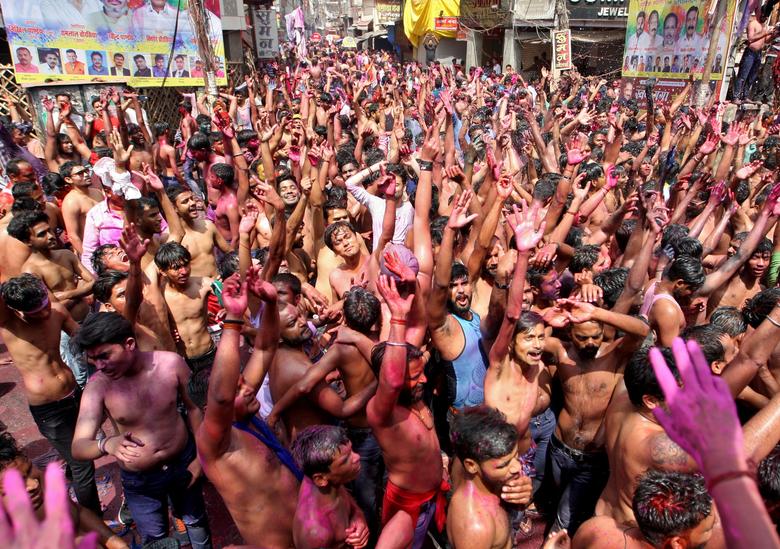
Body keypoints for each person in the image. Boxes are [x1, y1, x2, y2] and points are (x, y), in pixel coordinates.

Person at [71, 312, 211, 548]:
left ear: (129, 344)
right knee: (155, 539)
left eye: (104, 356)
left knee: (195, 521)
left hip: (184, 463)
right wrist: (107, 444)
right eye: (93, 359)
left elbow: (194, 408)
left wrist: (200, 457)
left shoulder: (170, 363)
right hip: (140, 481)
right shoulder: (97, 388)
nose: (99, 366)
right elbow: (78, 447)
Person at [195, 270, 301, 546]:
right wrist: (232, 319)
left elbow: (265, 348)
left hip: (309, 533)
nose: (248, 388)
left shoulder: (244, 407)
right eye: (237, 389)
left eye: (243, 382)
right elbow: (221, 396)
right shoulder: (215, 444)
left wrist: (268, 303)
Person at [0, 274, 100, 515]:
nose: (45, 313)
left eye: (45, 305)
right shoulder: (9, 322)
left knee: (87, 448)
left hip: (75, 393)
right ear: (15, 309)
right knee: (82, 465)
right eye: (36, 312)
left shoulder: (57, 310)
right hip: (49, 409)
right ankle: (94, 523)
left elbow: (81, 337)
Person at [367, 275, 447, 549]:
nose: (423, 381)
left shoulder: (413, 391)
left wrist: (414, 287)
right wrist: (397, 318)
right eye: (413, 378)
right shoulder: (382, 413)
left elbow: (422, 325)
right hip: (409, 506)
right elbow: (390, 380)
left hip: (435, 495)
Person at [0, 431, 128, 549]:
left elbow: (77, 512)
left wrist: (117, 544)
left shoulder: (40, 479)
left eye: (29, 470)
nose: (34, 484)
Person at [447, 406, 529, 549]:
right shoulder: (475, 528)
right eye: (504, 465)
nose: (517, 467)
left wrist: (521, 494)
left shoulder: (474, 459)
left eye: (516, 456)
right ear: (471, 465)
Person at [291, 425, 370, 549]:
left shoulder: (329, 479)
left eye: (352, 450)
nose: (357, 457)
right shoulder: (316, 534)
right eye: (345, 461)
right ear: (320, 479)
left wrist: (358, 517)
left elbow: (348, 501)